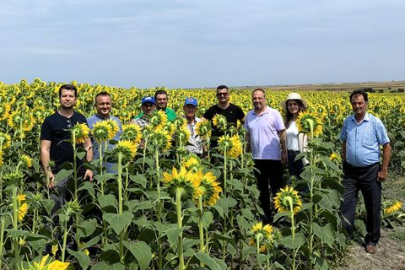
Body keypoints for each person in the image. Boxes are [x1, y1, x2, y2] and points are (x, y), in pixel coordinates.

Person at [339, 89, 391, 254]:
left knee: (372, 205)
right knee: (347, 203)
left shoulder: (375, 122)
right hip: (351, 171)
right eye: (354, 103)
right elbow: (343, 141)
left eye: (360, 103)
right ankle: (345, 235)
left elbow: (386, 145)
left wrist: (383, 169)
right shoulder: (348, 121)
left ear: (366, 104)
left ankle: (372, 240)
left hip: (370, 170)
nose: (357, 106)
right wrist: (345, 160)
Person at [40, 84, 93, 212]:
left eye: (71, 96)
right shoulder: (50, 120)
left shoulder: (80, 118)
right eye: (64, 96)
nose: (67, 98)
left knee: (78, 209)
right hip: (58, 173)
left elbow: (87, 145)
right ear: (59, 98)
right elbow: (44, 149)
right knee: (55, 209)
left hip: (79, 172)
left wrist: (89, 168)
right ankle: (56, 232)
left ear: (75, 99)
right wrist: (48, 174)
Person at [244, 88, 287, 224]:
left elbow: (282, 133)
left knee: (277, 189)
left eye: (259, 98)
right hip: (257, 158)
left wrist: (284, 151)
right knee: (261, 190)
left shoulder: (274, 113)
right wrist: (245, 153)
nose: (257, 101)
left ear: (264, 98)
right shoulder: (249, 115)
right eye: (254, 98)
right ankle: (266, 219)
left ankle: (280, 218)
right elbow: (247, 135)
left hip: (273, 157)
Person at [87, 92, 123, 173]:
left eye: (108, 103)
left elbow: (121, 141)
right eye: (101, 104)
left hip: (115, 169)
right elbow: (86, 147)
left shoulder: (117, 121)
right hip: (96, 169)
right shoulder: (88, 122)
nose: (105, 106)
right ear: (96, 105)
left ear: (111, 105)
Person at [281, 93, 309, 179]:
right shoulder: (287, 121)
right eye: (290, 105)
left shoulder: (306, 120)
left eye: (295, 104)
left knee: (304, 181)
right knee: (294, 180)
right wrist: (284, 152)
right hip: (290, 154)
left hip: (301, 154)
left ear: (300, 106)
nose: (292, 107)